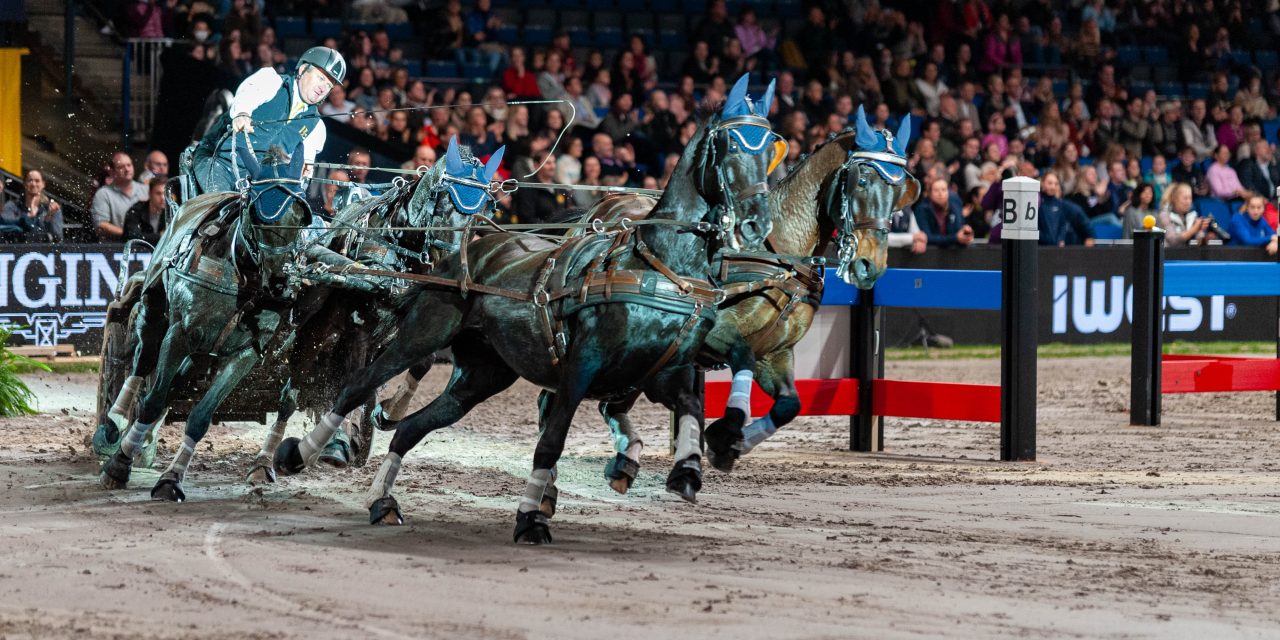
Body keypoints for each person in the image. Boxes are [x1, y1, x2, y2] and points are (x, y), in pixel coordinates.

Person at [186, 46, 346, 195]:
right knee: (222, 205)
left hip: (259, 182)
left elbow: (305, 166)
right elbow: (246, 95)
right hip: (220, 162)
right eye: (320, 78)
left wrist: (304, 172)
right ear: (303, 69)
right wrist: (242, 114)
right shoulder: (271, 81)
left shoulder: (317, 127)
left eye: (329, 84)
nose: (323, 87)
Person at [92, 152, 148, 240]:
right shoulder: (103, 194)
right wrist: (130, 234)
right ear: (112, 171)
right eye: (121, 167)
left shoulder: (146, 190)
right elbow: (101, 226)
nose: (127, 169)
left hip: (146, 246)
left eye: (129, 165)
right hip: (115, 248)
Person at [0, 169, 63, 243]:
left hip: (44, 251)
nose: (33, 184)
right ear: (24, 184)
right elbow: (5, 224)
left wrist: (48, 219)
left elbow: (58, 237)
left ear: (43, 184)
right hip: (18, 249)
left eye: (37, 181)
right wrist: (27, 217)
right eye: (30, 180)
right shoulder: (12, 205)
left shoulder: (51, 209)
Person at [511, 151, 570, 224]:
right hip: (537, 234)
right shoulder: (528, 187)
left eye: (554, 162)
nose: (552, 166)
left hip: (560, 233)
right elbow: (526, 218)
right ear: (536, 165)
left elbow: (568, 213)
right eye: (548, 163)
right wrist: (550, 229)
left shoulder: (560, 188)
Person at [912, 178, 973, 248]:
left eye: (944, 190)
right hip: (930, 254)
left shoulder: (955, 207)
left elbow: (959, 230)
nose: (940, 193)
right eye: (936, 190)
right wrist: (955, 238)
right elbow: (926, 237)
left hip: (952, 254)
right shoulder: (922, 209)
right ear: (929, 193)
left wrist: (966, 232)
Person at [1038, 172, 1094, 246]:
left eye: (1056, 184)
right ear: (1042, 183)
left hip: (1058, 247)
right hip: (1040, 246)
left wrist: (1090, 236)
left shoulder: (1062, 204)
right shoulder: (1036, 202)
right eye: (1050, 183)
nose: (1053, 186)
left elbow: (1078, 215)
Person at [1158, 182, 1211, 247]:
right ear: (1174, 198)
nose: (1189, 202)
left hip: (1189, 255)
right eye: (1185, 198)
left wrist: (1206, 237)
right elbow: (1173, 241)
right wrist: (1194, 229)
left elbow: (1198, 241)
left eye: (1190, 198)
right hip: (1169, 255)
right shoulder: (1165, 215)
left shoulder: (1193, 215)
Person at [123, 178, 169, 245]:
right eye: (158, 193)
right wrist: (160, 236)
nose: (162, 198)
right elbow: (132, 236)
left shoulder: (170, 212)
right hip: (138, 253)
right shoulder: (136, 211)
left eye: (165, 193)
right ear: (150, 194)